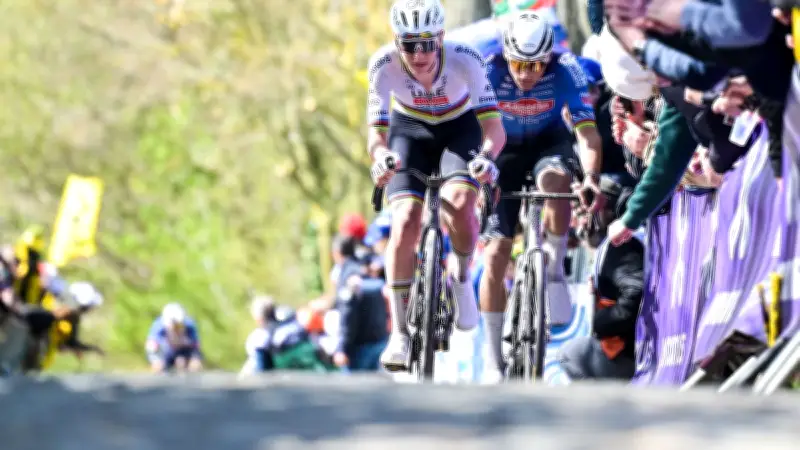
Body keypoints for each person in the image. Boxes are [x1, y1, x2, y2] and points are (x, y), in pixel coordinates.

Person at [366, 0, 507, 371]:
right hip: (408, 131)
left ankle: (460, 277)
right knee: (405, 219)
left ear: (442, 38)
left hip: (458, 129)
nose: (420, 54)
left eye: (428, 43)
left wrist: (487, 156)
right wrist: (379, 158)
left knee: (460, 201)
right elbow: (376, 135)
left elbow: (494, 127)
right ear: (397, 42)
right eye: (410, 45)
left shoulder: (466, 58)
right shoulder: (383, 65)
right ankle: (399, 331)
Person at [478, 11, 606, 382]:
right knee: (496, 255)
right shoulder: (489, 71)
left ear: (548, 58)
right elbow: (471, 134)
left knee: (556, 180)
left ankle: (551, 265)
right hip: (504, 149)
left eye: (535, 65)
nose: (526, 73)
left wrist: (592, 178)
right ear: (506, 56)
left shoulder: (566, 70)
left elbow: (587, 135)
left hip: (549, 144)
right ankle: (492, 357)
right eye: (518, 63)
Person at [559, 176, 644, 380]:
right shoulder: (612, 245)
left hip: (631, 353)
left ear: (607, 211)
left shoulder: (621, 245)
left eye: (584, 209)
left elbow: (635, 294)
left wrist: (598, 323)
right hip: (631, 348)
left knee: (573, 353)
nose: (580, 217)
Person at [240, 296, 334, 374]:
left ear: (258, 319)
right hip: (315, 366)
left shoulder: (261, 336)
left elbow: (261, 368)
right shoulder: (294, 324)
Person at [145, 303, 203, 373]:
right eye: (174, 325)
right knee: (157, 366)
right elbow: (151, 345)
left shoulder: (189, 325)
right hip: (166, 351)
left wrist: (193, 359)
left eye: (179, 325)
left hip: (184, 350)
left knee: (194, 365)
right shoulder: (159, 326)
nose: (176, 328)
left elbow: (196, 346)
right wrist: (156, 360)